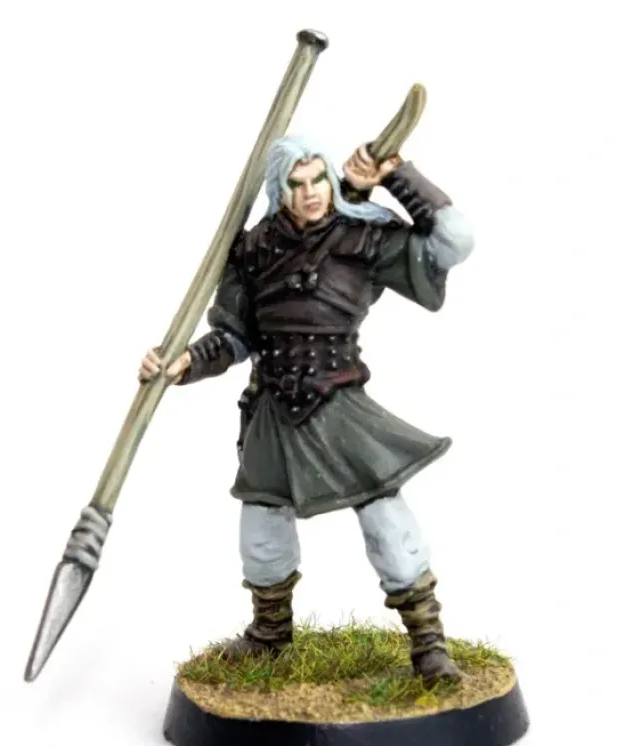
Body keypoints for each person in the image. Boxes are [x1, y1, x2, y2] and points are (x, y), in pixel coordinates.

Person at [139, 136, 474, 684]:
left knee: (387, 521)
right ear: (280, 189)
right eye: (296, 183)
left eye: (319, 178)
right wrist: (185, 363)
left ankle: (429, 645)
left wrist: (396, 176)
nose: (311, 192)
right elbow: (234, 337)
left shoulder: (361, 237)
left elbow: (455, 241)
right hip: (273, 407)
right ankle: (269, 634)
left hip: (338, 402)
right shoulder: (253, 250)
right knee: (261, 528)